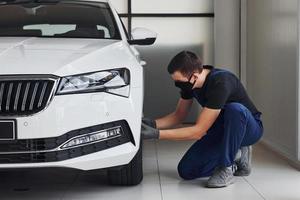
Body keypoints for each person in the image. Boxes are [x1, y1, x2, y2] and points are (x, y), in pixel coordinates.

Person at [142, 51, 263, 188]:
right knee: (186, 170)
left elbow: (198, 131)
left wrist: (156, 135)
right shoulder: (190, 84)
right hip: (221, 131)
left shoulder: (221, 82)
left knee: (235, 109)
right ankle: (238, 155)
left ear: (194, 76)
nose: (178, 86)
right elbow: (179, 115)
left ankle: (226, 167)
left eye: (179, 83)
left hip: (248, 129)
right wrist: (152, 124)